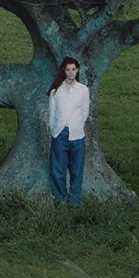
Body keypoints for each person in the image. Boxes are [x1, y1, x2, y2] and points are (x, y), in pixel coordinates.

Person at [47, 56, 90, 205]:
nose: (71, 72)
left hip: (77, 135)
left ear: (77, 70)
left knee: (76, 171)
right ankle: (60, 200)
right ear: (64, 71)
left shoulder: (83, 90)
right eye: (68, 70)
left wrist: (77, 125)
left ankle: (74, 203)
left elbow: (85, 112)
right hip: (60, 133)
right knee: (57, 170)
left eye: (73, 69)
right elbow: (52, 115)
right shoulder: (55, 92)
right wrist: (56, 131)